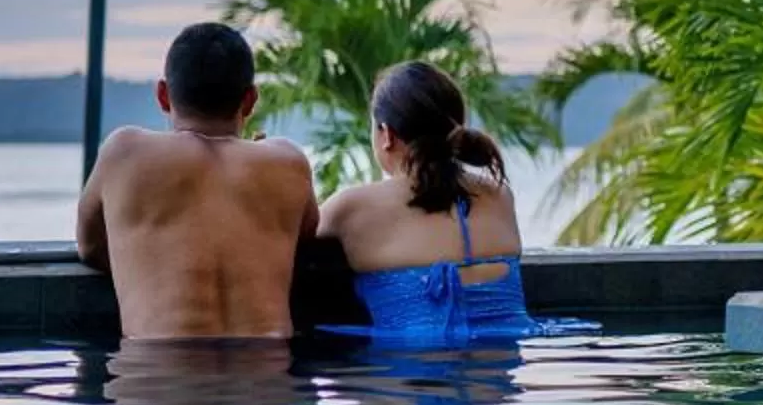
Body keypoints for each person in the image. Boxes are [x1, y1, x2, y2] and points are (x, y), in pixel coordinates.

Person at [76, 23, 320, 340]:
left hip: (160, 379)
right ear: (250, 101)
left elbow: (90, 247)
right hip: (267, 379)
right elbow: (305, 239)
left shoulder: (124, 153)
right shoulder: (288, 162)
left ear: (163, 95)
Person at [314, 60, 582, 344]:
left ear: (386, 134)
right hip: (496, 384)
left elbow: (290, 236)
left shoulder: (352, 207)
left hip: (401, 382)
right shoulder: (499, 196)